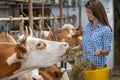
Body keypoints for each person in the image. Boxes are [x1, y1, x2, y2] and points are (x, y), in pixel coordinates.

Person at [73, 0, 113, 67]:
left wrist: (100, 52)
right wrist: (71, 50)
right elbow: (82, 46)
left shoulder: (105, 30)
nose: (87, 14)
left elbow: (107, 51)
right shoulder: (86, 27)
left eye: (89, 12)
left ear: (97, 12)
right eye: (87, 12)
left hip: (98, 68)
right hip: (85, 67)